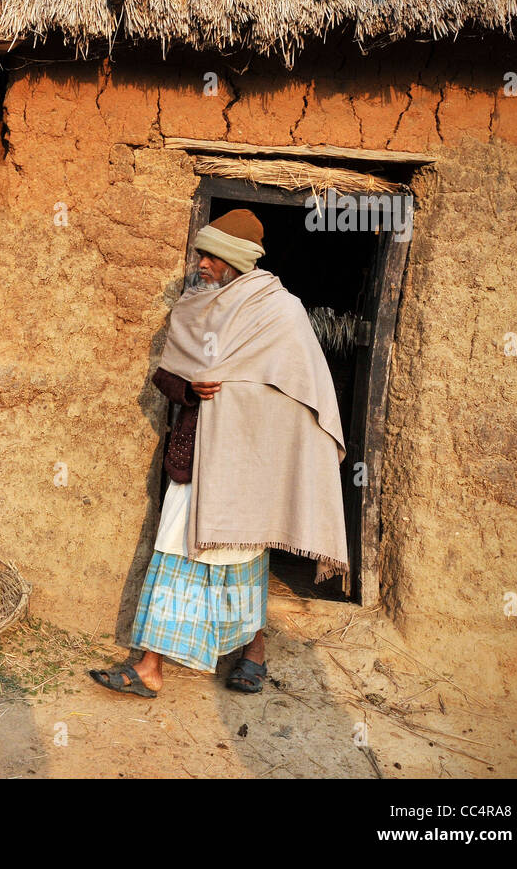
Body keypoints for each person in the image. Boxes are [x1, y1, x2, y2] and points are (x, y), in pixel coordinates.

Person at [90, 209, 348, 697]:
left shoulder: (279, 311)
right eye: (202, 254)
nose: (201, 263)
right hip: (196, 455)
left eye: (211, 256)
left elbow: (301, 390)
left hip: (249, 460)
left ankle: (254, 650)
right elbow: (166, 375)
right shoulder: (193, 306)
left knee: (243, 554)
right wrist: (191, 386)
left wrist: (246, 398)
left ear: (234, 262)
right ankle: (150, 666)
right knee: (175, 548)